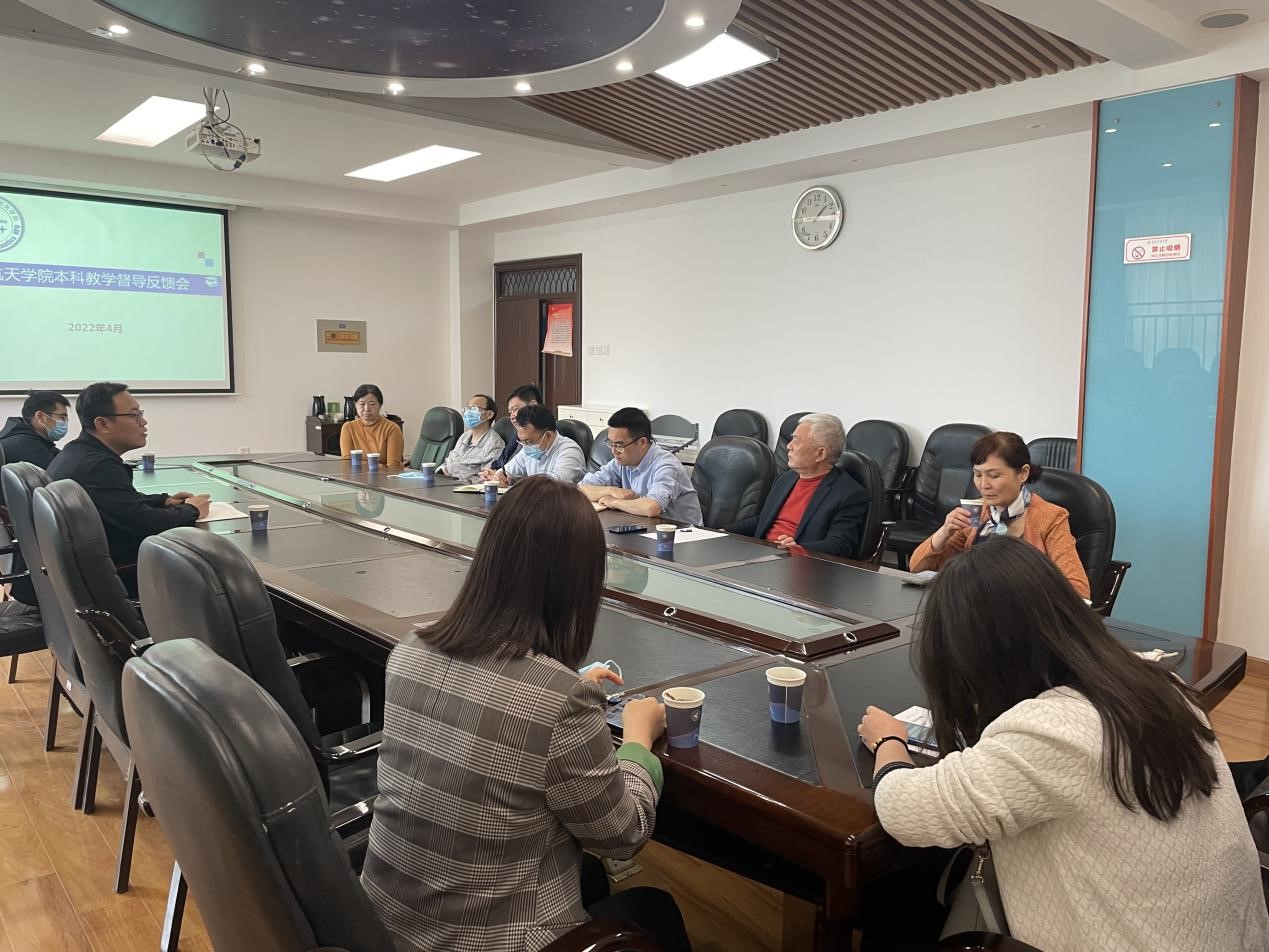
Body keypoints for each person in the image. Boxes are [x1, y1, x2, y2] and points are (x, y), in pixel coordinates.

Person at [857, 538, 1268, 952]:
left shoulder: (1052, 730)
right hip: (1232, 937)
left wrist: (889, 740)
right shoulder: (1162, 684)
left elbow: (903, 810)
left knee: (900, 905)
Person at [360, 476, 691, 952]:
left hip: (385, 926)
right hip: (486, 940)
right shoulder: (562, 701)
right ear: (580, 584)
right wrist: (639, 742)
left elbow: (493, 695)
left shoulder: (410, 649)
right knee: (654, 909)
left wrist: (563, 679)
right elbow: (622, 834)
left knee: (589, 876)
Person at [46, 383, 209, 596]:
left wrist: (163, 501)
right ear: (103, 424)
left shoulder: (77, 453)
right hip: (119, 579)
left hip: (84, 576)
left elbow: (118, 501)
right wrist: (192, 510)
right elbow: (146, 524)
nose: (143, 421)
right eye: (134, 415)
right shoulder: (98, 467)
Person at [909, 431, 1090, 598]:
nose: (984, 485)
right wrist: (944, 531)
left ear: (1023, 473)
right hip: (973, 607)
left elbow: (1078, 591)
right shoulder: (976, 512)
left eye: (994, 476)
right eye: (978, 475)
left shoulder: (1050, 518)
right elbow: (917, 569)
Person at [729, 413, 869, 557]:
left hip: (799, 564)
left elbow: (840, 544)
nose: (789, 446)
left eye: (796, 441)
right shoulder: (785, 479)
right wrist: (724, 532)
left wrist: (798, 549)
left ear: (820, 454)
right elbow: (763, 519)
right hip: (761, 554)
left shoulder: (849, 494)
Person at [579, 407, 702, 524]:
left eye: (619, 445)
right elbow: (582, 489)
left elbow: (652, 507)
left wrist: (614, 502)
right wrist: (611, 490)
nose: (613, 451)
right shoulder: (621, 462)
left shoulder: (666, 465)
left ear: (642, 442)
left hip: (682, 534)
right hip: (645, 528)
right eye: (611, 444)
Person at [481, 404, 586, 486]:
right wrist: (501, 476)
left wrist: (520, 482)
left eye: (528, 441)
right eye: (522, 441)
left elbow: (555, 485)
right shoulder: (528, 448)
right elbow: (507, 471)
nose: (525, 446)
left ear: (548, 435)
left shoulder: (569, 451)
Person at [438, 393, 504, 481]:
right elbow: (448, 463)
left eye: (473, 408)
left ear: (489, 414)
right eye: (467, 408)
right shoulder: (464, 436)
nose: (468, 412)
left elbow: (487, 478)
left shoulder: (495, 444)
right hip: (445, 481)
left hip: (465, 486)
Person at [0, 390, 70, 468]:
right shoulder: (26, 445)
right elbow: (59, 472)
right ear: (40, 417)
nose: (65, 422)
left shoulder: (33, 439)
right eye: (62, 417)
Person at [339, 384, 404, 467]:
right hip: (355, 475)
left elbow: (393, 467)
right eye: (362, 404)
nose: (366, 409)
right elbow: (347, 463)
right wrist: (378, 466)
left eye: (372, 404)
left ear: (380, 406)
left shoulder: (392, 429)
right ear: (355, 405)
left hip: (384, 475)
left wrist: (360, 464)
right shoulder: (348, 428)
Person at [490, 383, 542, 471]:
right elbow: (500, 463)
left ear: (533, 405)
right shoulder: (517, 435)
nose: (512, 416)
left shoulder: (547, 436)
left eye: (515, 409)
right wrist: (491, 471)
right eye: (510, 413)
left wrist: (501, 474)